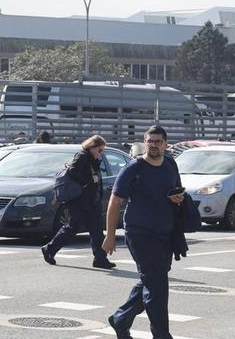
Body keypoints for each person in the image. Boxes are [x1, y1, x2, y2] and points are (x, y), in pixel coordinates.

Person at [103, 125, 184, 339]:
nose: (154, 145)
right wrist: (110, 235)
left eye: (158, 141)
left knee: (153, 279)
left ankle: (121, 318)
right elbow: (115, 201)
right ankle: (162, 335)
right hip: (140, 233)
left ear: (166, 144)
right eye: (150, 141)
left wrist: (178, 198)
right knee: (158, 288)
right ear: (145, 142)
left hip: (165, 233)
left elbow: (176, 191)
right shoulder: (134, 168)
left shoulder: (170, 164)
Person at [42, 135, 115, 269]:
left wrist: (96, 161)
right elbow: (73, 171)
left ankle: (100, 258)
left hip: (91, 199)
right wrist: (85, 182)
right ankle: (49, 249)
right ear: (92, 146)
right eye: (100, 150)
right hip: (80, 200)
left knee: (97, 229)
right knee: (72, 226)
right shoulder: (82, 156)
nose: (101, 153)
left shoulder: (92, 157)